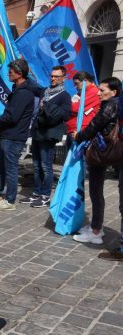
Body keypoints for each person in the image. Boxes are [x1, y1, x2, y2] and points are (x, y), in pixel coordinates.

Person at [72, 78, 122, 256]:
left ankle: (95, 232)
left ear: (114, 92)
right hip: (105, 152)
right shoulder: (115, 104)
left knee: (95, 190)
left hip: (101, 152)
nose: (99, 93)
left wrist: (78, 135)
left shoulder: (110, 105)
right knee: (96, 190)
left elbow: (94, 126)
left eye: (102, 90)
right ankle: (96, 226)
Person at [0, 59, 44, 211]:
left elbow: (12, 117)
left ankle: (10, 200)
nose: (8, 74)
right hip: (8, 134)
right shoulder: (17, 90)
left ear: (19, 74)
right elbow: (10, 113)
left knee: (10, 169)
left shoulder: (24, 93)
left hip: (15, 136)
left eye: (11, 72)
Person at [23, 66, 71, 208]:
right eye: (52, 76)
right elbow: (32, 85)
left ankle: (45, 196)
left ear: (63, 78)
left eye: (57, 76)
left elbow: (66, 115)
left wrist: (48, 108)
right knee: (36, 165)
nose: (53, 78)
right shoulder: (45, 91)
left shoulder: (64, 95)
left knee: (46, 166)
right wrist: (25, 71)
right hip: (38, 131)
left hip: (49, 134)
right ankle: (36, 193)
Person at [66, 72, 100, 149]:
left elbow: (74, 108)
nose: (75, 86)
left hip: (81, 130)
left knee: (77, 155)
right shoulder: (83, 92)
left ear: (85, 81)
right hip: (74, 129)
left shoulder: (93, 91)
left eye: (77, 83)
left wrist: (69, 105)